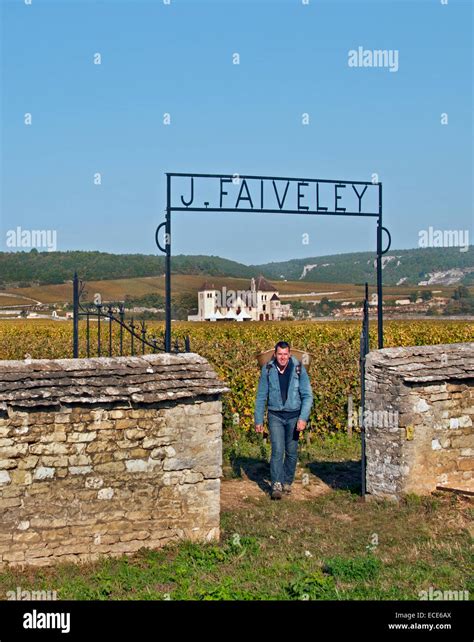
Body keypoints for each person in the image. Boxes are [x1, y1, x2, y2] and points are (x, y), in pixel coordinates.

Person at [254, 341, 314, 499]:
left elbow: (307, 396)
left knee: (292, 452)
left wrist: (303, 418)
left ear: (289, 355)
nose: (282, 357)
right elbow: (261, 397)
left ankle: (287, 480)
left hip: (294, 416)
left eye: (285, 354)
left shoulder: (299, 368)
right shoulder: (267, 369)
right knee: (277, 451)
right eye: (279, 354)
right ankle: (276, 484)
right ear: (275, 354)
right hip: (275, 415)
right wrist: (258, 419)